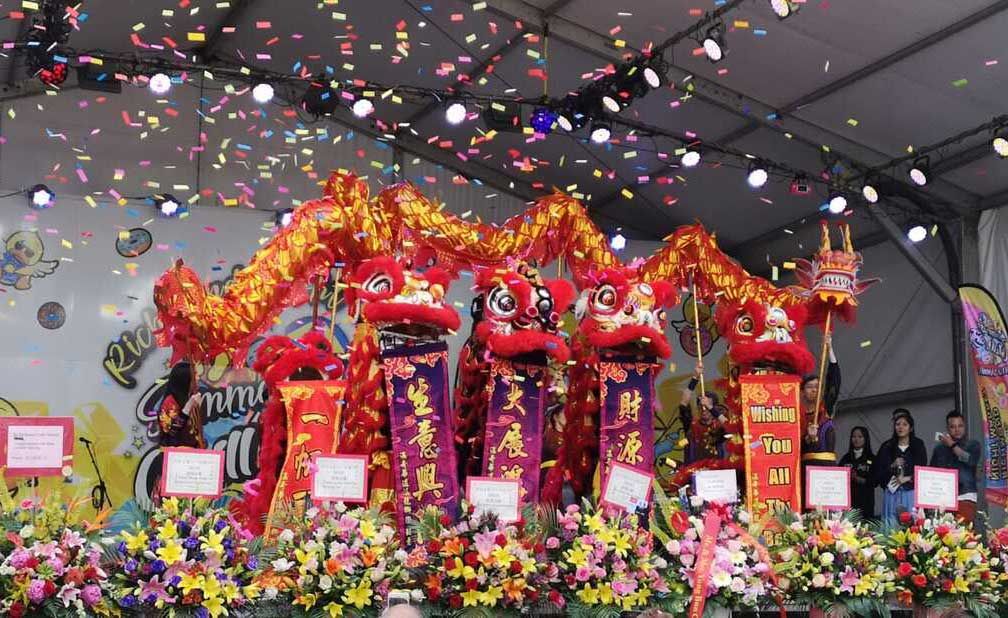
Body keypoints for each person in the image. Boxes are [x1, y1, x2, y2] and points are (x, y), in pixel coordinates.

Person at [873, 410, 928, 526]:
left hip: (911, 492)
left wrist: (907, 478)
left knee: (911, 525)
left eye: (904, 424)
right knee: (891, 526)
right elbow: (877, 472)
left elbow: (923, 470)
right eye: (898, 424)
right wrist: (892, 465)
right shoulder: (887, 446)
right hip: (892, 493)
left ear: (911, 428)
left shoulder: (918, 445)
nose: (900, 427)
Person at [929, 410, 982, 524]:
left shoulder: (973, 444)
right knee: (944, 532)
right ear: (947, 429)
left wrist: (952, 445)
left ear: (965, 426)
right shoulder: (939, 448)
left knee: (964, 531)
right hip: (944, 496)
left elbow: (970, 460)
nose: (957, 430)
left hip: (965, 494)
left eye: (960, 426)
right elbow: (932, 472)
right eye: (953, 427)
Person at [800, 340, 840, 465]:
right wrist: (809, 438)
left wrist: (830, 348)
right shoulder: (797, 414)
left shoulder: (825, 408)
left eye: (817, 386)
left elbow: (834, 382)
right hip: (805, 466)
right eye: (810, 387)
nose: (814, 390)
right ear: (802, 391)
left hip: (826, 467)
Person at [679, 364, 726, 463]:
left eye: (707, 407)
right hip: (694, 469)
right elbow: (683, 403)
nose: (704, 410)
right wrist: (695, 378)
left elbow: (728, 425)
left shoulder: (719, 426)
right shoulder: (691, 425)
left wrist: (710, 407)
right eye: (701, 406)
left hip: (716, 470)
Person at [157, 362, 205, 448]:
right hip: (175, 452)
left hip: (192, 450)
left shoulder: (190, 397)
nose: (198, 378)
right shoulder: (170, 401)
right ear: (185, 379)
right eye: (195, 375)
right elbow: (170, 431)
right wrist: (187, 409)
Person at [838, 426, 876, 519]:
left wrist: (858, 479)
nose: (856, 439)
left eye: (860, 437)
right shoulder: (846, 458)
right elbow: (837, 477)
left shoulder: (872, 458)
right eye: (854, 436)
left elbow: (875, 481)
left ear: (865, 439)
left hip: (865, 501)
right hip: (848, 501)